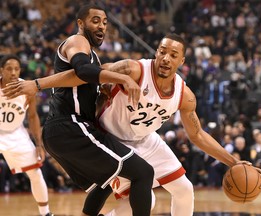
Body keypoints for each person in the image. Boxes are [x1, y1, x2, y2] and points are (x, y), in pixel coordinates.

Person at [3, 34, 261, 216]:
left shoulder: (184, 95)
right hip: (112, 140)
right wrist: (40, 84)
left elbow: (197, 134)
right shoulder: (134, 69)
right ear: (156, 52)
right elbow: (90, 74)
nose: (165, 58)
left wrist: (234, 162)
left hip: (146, 139)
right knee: (146, 201)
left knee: (184, 189)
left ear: (181, 61)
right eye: (162, 51)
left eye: (173, 54)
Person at [3, 4, 154, 216]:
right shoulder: (77, 41)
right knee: (143, 173)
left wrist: (101, 94)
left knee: (102, 185)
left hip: (63, 131)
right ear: (80, 24)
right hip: (70, 126)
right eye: (95, 21)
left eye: (104, 22)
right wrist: (123, 77)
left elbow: (80, 76)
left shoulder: (93, 57)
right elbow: (83, 70)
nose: (101, 26)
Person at [0, 54, 53, 216]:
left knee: (35, 173)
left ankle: (45, 213)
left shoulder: (27, 88)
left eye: (17, 69)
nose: (14, 72)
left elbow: (32, 116)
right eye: (9, 69)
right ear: (1, 70)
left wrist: (38, 144)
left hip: (16, 132)